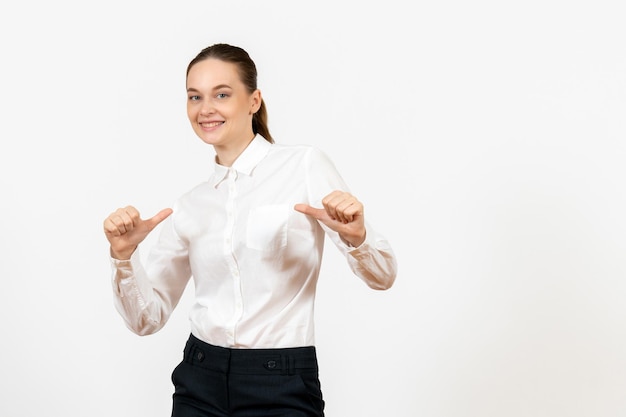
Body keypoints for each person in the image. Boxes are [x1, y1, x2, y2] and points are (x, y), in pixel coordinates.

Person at [103, 43, 397, 417]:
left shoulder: (303, 166)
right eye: (195, 97)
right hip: (199, 380)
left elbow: (383, 276)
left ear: (254, 100)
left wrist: (357, 238)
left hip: (282, 381)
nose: (205, 108)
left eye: (222, 94)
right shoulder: (190, 204)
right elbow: (147, 319)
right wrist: (124, 257)